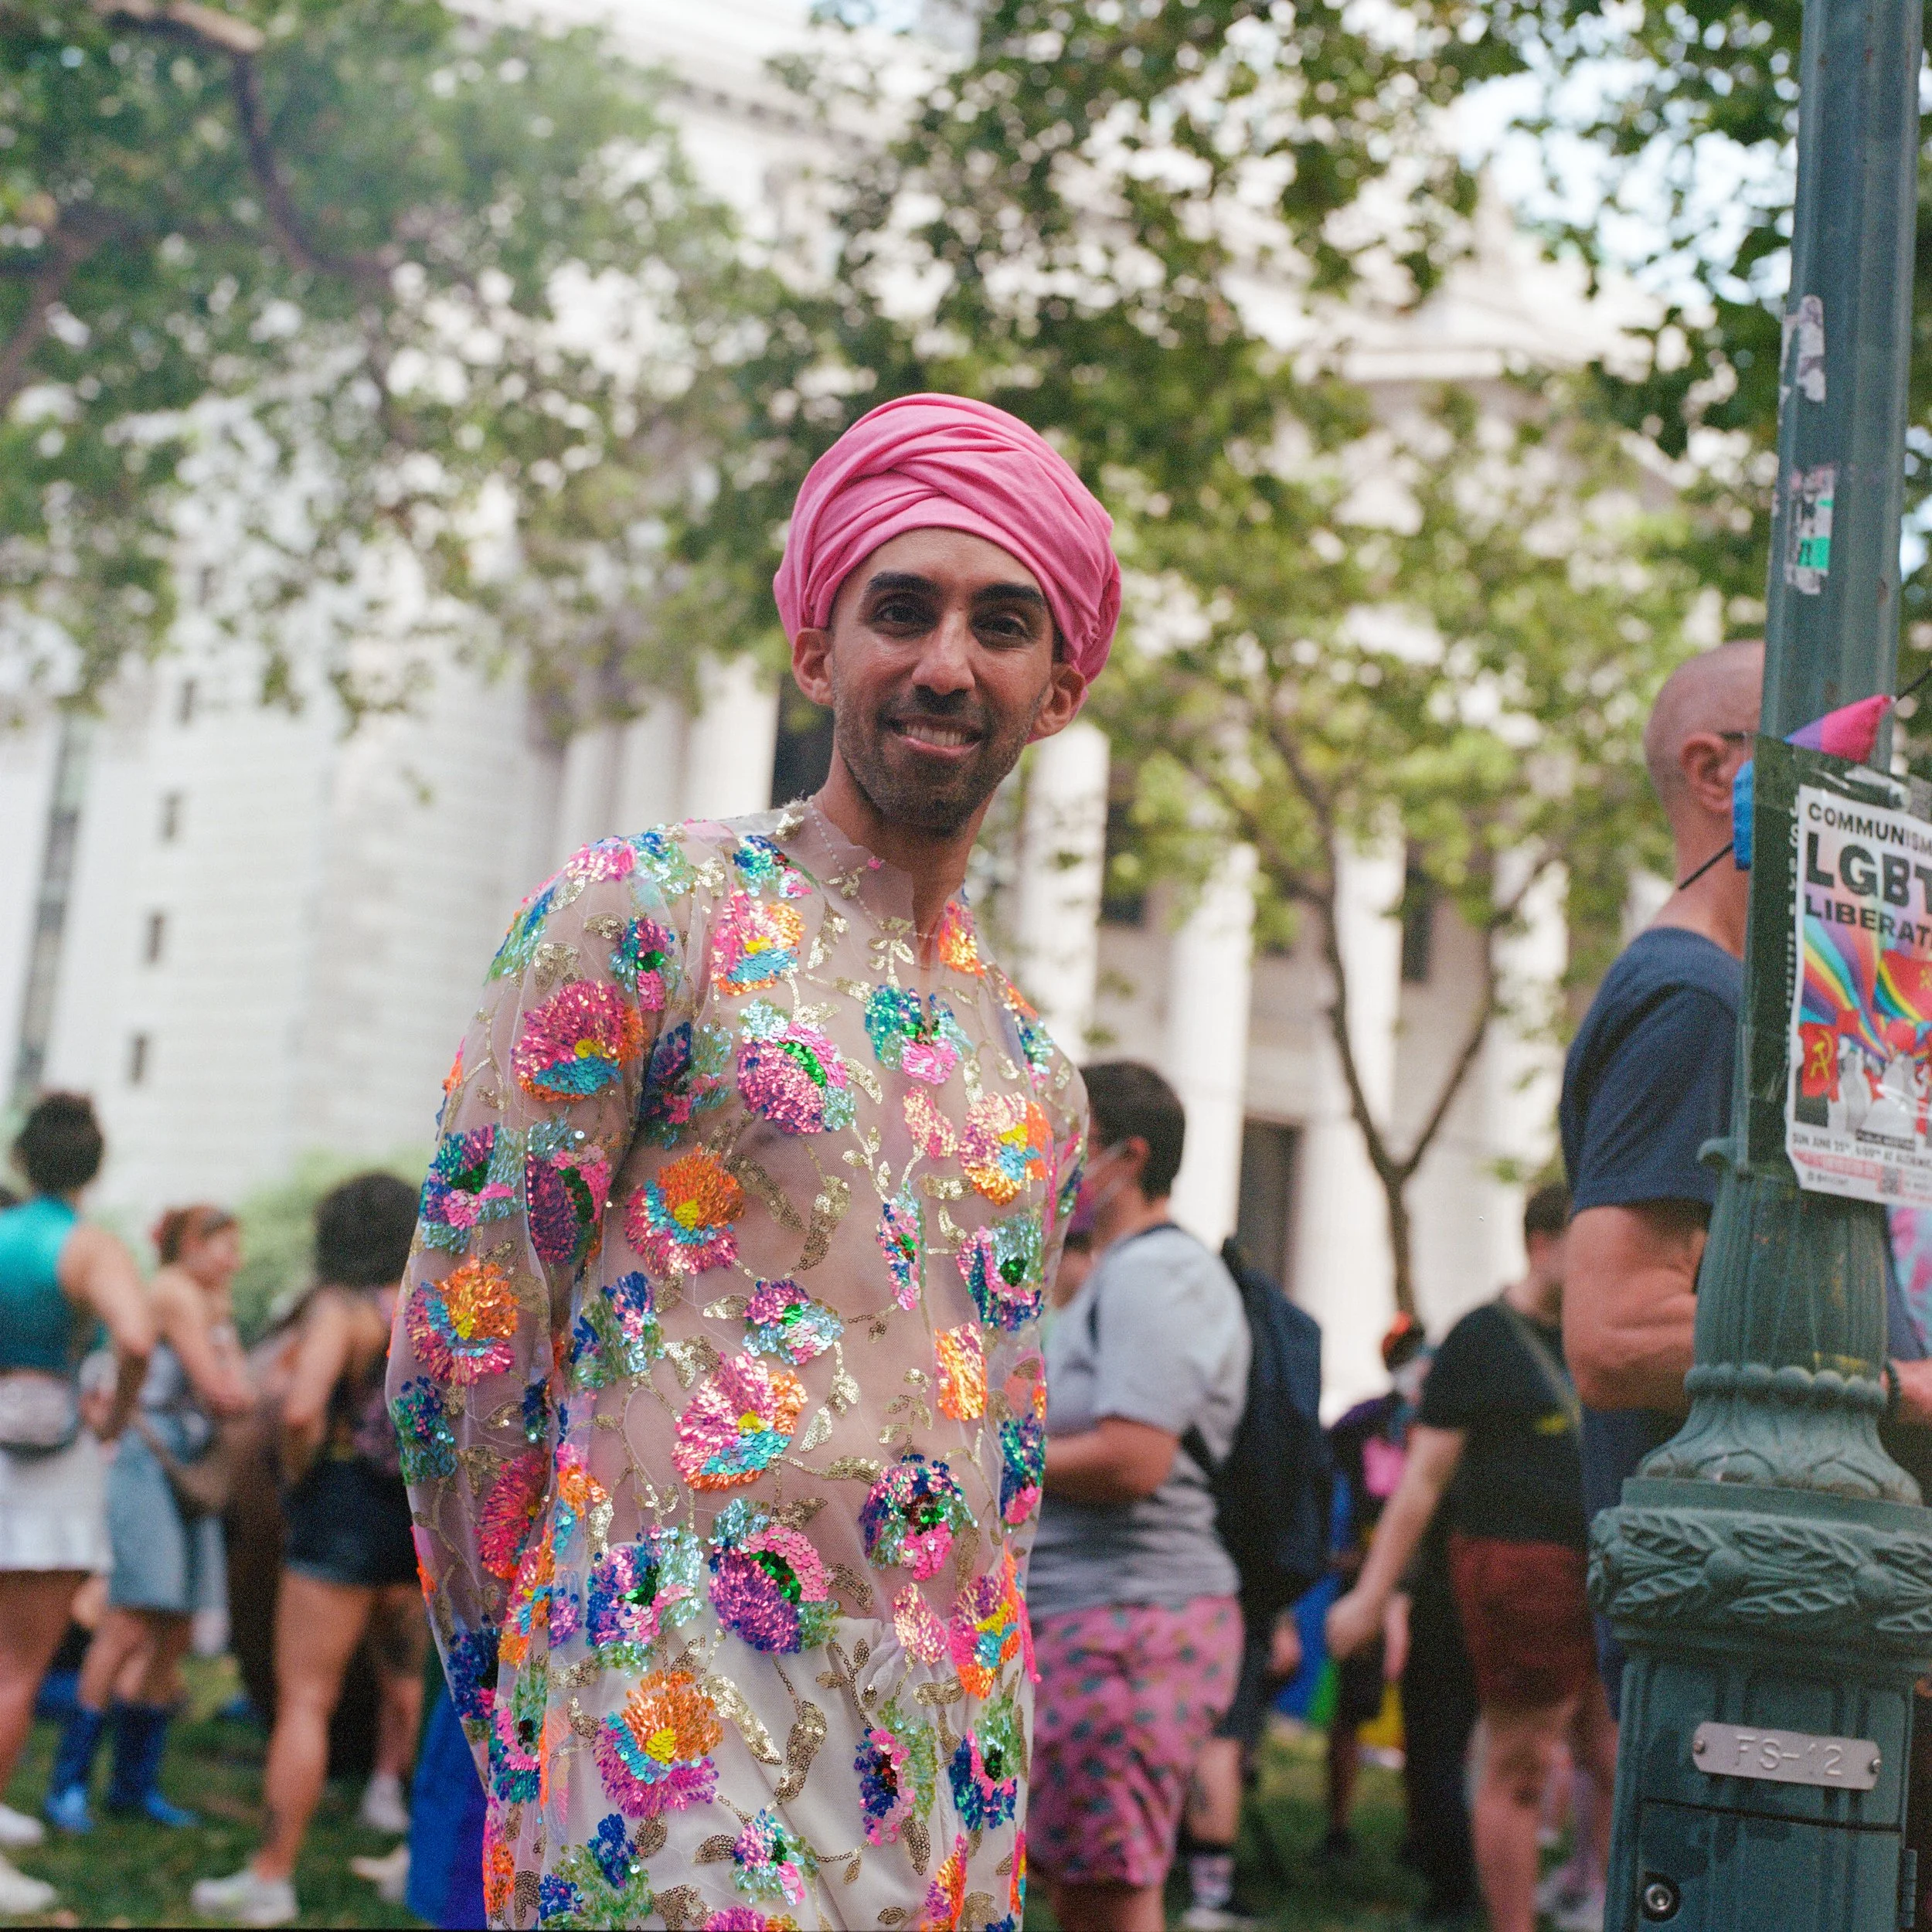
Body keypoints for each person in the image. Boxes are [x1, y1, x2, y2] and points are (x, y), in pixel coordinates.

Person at [385, 392, 1107, 1923]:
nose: (943, 661)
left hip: (942, 1793)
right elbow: (466, 1344)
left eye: (1000, 623)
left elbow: (1013, 1457)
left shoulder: (1035, 1072)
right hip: (664, 1753)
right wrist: (530, 1684)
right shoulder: (649, 913)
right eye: (897, 610)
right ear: (813, 648)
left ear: (1057, 687)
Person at [1558, 639, 1932, 1720]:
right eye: (1835, 744)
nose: (1870, 783)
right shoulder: (1698, 1003)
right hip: (1750, 1625)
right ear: (1719, 771)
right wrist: (1906, 1387)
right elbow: (1618, 1338)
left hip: (1798, 1612)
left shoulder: (1760, 1002)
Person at [1328, 1183, 1614, 1932]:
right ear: (1542, 1242)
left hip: (1606, 1570)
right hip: (1513, 1571)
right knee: (1515, 1761)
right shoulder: (1478, 1338)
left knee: (1611, 1755)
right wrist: (1372, 1595)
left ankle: (1598, 1898)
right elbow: (1420, 1483)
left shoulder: (1598, 1330)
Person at [1026, 1060, 1250, 1932]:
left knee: (1109, 1888)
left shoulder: (1160, 1275)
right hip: (1097, 1615)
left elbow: (1133, 1458)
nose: (1053, 1165)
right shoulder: (1117, 1275)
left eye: (1069, 1143)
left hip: (1132, 1622)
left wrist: (993, 1455)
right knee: (1086, 1881)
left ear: (1129, 1156)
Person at [192, 1172, 428, 1927]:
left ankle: (270, 1875)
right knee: (406, 1688)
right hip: (409, 1521)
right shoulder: (430, 1306)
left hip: (340, 1513)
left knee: (304, 1700)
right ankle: (409, 1851)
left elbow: (299, 1408)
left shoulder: (342, 1309)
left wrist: (298, 1471)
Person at [46, 1203, 255, 1832]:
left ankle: (133, 1786)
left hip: (190, 1469)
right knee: (130, 1618)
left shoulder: (208, 1301)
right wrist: (233, 1374)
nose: (234, 1261)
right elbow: (226, 1394)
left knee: (177, 1627)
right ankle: (69, 1785)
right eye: (224, 1246)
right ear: (189, 1244)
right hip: (151, 1465)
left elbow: (235, 1392)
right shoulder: (170, 1294)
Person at [0, 1094, 154, 1917]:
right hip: (49, 1466)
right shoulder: (87, 1245)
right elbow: (134, 1337)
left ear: (22, 1158)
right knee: (16, 1670)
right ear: (93, 1165)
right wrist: (117, 1415)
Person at [1319, 1313, 1424, 1862]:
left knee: (1422, 1714)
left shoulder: (1434, 1424)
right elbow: (1319, 1475)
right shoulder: (1363, 1423)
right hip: (1365, 1580)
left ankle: (1421, 1831)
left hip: (1418, 1586)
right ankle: (1339, 1828)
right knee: (1355, 1708)